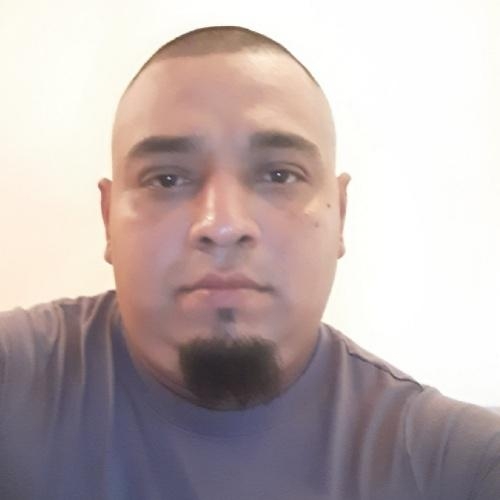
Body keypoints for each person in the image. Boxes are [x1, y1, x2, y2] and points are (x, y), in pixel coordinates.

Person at [0, 25, 499, 500]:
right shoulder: (14, 381)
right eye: (166, 179)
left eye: (280, 175)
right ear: (108, 219)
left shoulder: (460, 465)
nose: (222, 225)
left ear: (340, 215)